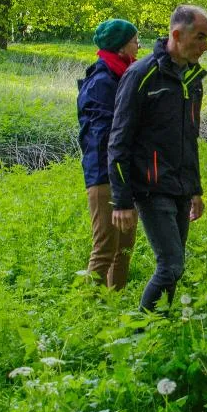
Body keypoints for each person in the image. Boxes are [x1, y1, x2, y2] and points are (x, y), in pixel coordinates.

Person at [108, 4, 207, 311]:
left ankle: (159, 330)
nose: (205, 46)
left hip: (180, 185)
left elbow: (189, 138)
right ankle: (141, 330)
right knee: (171, 266)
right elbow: (118, 141)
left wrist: (195, 189)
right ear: (177, 35)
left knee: (174, 268)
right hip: (150, 186)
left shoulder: (192, 79)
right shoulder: (141, 75)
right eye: (200, 37)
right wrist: (122, 200)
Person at [77, 18, 140, 289]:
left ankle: (115, 305)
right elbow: (103, 135)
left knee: (124, 248)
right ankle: (90, 312)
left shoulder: (122, 74)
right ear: (121, 46)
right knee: (105, 246)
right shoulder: (101, 81)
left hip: (124, 175)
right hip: (104, 175)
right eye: (134, 40)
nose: (139, 44)